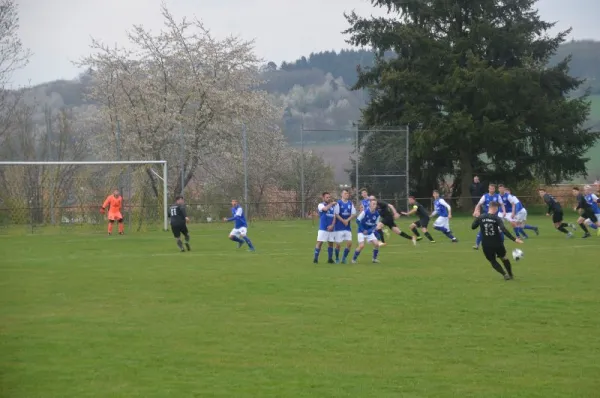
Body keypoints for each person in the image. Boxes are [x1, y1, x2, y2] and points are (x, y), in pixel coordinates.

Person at [471, 202, 524, 280]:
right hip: (497, 243)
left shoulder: (481, 217)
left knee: (492, 261)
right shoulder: (497, 218)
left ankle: (504, 274)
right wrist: (514, 239)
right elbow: (504, 230)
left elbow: (473, 227)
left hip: (486, 244)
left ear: (489, 207)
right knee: (504, 258)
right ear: (496, 208)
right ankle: (510, 274)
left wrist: (477, 217)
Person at [472, 184, 506, 249]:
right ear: (488, 189)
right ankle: (477, 245)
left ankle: (501, 245)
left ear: (494, 189)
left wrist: (504, 211)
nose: (492, 190)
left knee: (500, 230)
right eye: (490, 188)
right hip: (486, 217)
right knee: (482, 229)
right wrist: (475, 211)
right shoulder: (485, 196)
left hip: (495, 217)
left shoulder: (497, 196)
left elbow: (502, 204)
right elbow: (479, 204)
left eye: (493, 189)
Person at [352, 199, 382, 264]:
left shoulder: (377, 214)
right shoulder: (365, 212)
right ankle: (353, 259)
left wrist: (369, 231)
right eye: (373, 204)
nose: (375, 205)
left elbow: (375, 225)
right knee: (361, 246)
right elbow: (357, 221)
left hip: (369, 232)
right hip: (361, 231)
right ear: (370, 205)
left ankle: (374, 259)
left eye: (375, 204)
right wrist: (363, 230)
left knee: (376, 244)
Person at [334, 189, 357, 264]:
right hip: (339, 227)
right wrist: (343, 221)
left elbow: (353, 214)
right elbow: (336, 214)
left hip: (347, 227)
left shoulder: (350, 203)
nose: (347, 194)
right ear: (342, 194)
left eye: (347, 193)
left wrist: (347, 220)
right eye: (345, 193)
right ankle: (337, 258)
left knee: (349, 243)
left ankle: (344, 258)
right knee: (338, 245)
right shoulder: (338, 203)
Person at [314, 192, 336, 264]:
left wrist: (332, 225)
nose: (328, 198)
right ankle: (315, 259)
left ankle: (330, 259)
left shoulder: (333, 207)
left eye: (329, 197)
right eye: (327, 197)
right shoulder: (321, 205)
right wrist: (331, 204)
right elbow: (325, 209)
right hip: (323, 228)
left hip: (331, 228)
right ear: (323, 198)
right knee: (319, 243)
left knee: (331, 243)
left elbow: (334, 216)